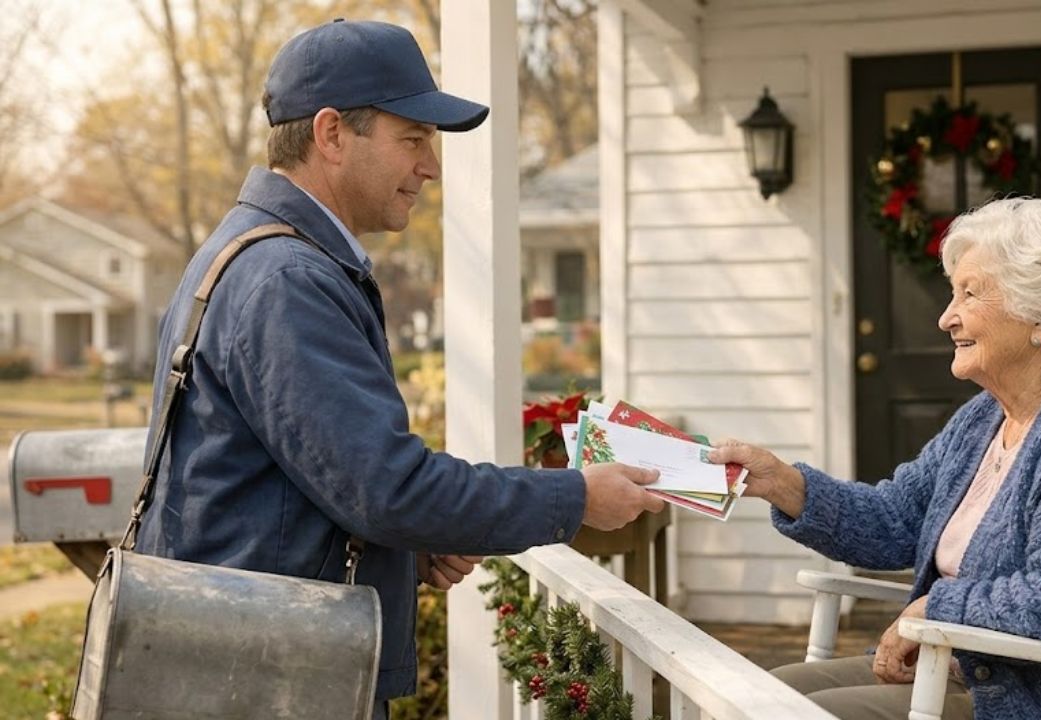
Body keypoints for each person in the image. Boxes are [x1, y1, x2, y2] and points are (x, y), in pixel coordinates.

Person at [136, 19, 664, 718]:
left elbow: (297, 483)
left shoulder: (256, 255)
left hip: (251, 663)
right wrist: (575, 498)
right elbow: (387, 489)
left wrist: (399, 549)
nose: (431, 166)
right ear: (331, 134)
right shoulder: (288, 279)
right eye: (413, 139)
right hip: (269, 682)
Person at [711, 198, 1041, 720]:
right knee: (755, 696)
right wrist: (784, 484)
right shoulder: (985, 418)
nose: (946, 318)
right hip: (972, 671)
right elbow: (895, 519)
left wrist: (935, 608)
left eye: (970, 293)